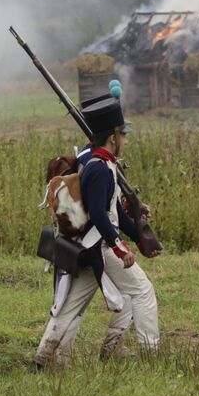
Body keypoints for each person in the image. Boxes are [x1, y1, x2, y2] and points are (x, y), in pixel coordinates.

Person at [32, 86, 160, 368]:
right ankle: (152, 356)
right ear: (113, 138)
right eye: (123, 134)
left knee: (71, 305)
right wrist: (119, 245)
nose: (126, 140)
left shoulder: (103, 164)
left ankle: (43, 356)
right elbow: (101, 216)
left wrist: (139, 234)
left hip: (93, 246)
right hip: (100, 246)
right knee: (143, 291)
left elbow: (113, 212)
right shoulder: (99, 168)